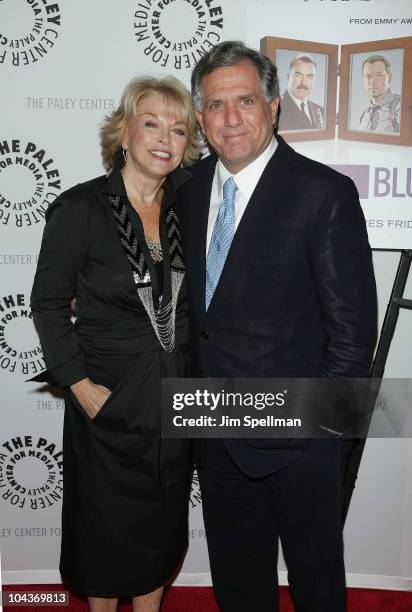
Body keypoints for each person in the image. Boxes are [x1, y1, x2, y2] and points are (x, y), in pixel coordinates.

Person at [177, 41, 377, 612]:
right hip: (214, 435)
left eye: (245, 100)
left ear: (273, 104)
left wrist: (326, 436)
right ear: (200, 118)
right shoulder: (188, 192)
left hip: (300, 442)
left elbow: (351, 330)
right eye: (216, 106)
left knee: (317, 584)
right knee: (238, 587)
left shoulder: (323, 193)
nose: (231, 118)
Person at [31, 76, 201, 612]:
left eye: (178, 129)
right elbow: (47, 306)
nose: (163, 139)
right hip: (106, 402)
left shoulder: (191, 207)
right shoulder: (79, 209)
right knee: (104, 540)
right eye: (151, 123)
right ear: (124, 132)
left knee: (161, 529)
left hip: (176, 404)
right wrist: (82, 390)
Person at [279, 54, 324, 131]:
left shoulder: (320, 111)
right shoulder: (276, 108)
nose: (304, 82)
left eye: (310, 76)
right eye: (298, 75)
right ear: (288, 77)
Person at [359, 54, 401, 133]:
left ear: (389, 77)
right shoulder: (365, 114)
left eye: (379, 75)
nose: (372, 81)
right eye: (368, 76)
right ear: (363, 79)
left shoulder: (402, 108)